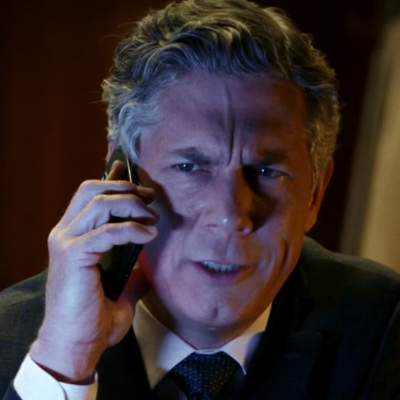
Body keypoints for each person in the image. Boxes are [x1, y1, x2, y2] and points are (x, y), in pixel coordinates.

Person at [1, 0, 399, 399]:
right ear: (121, 177)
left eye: (266, 172)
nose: (230, 215)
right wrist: (66, 365)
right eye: (190, 167)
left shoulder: (384, 327)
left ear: (315, 194)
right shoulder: (12, 341)